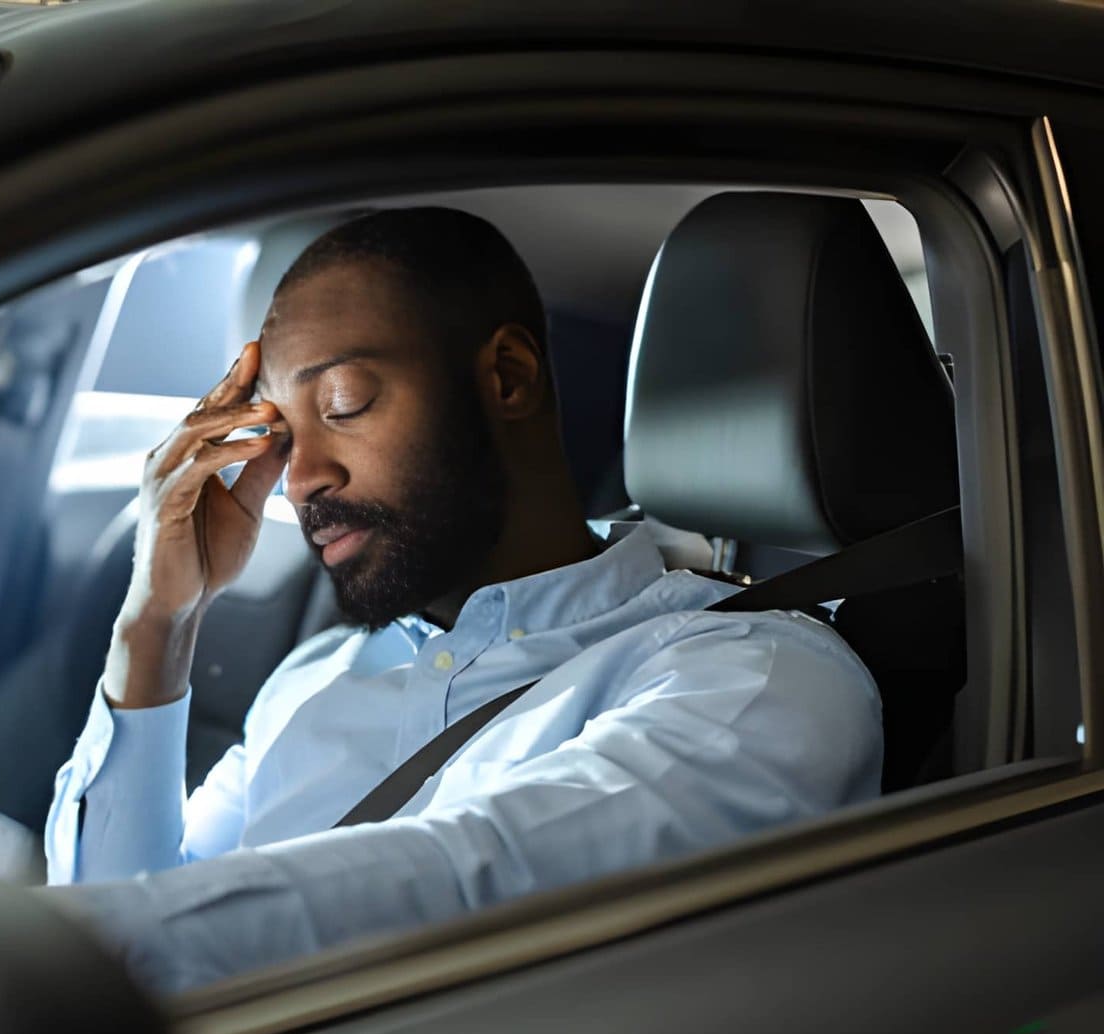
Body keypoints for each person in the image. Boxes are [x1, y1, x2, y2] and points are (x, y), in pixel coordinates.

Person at [44, 208, 881, 993]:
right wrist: (159, 620)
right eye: (283, 439)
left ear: (507, 378)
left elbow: (482, 878)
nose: (300, 482)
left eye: (344, 405)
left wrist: (27, 959)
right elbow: (125, 950)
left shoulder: (759, 677)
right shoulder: (312, 677)